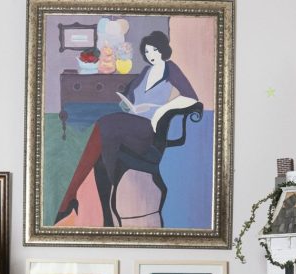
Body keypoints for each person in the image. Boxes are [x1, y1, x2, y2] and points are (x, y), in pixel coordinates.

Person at [52, 31, 199, 227]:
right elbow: (129, 97)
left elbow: (191, 97)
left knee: (104, 125)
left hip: (148, 130)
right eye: (147, 51)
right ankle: (95, 207)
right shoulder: (146, 71)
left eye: (154, 50)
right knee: (104, 138)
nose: (150, 54)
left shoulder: (170, 69)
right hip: (132, 123)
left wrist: (162, 110)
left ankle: (72, 198)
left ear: (163, 50)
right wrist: (128, 103)